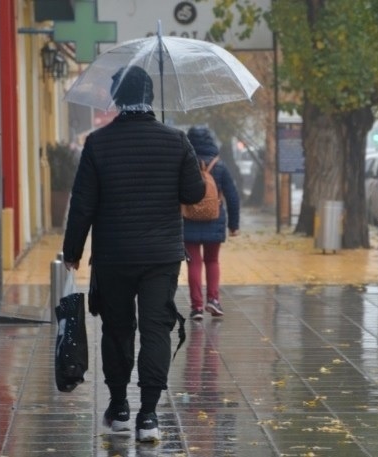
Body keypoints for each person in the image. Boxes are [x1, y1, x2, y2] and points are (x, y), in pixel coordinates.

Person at [62, 65, 205, 443]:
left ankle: (120, 407)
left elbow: (82, 205)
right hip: (161, 256)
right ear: (151, 97)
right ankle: (149, 416)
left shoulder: (98, 143)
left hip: (113, 256)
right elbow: (193, 194)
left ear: (118, 99)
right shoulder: (176, 141)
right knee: (156, 329)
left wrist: (72, 251)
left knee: (118, 329)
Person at [183, 125, 240, 320]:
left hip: (188, 218)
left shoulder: (184, 164)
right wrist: (234, 224)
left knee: (194, 263)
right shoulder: (220, 166)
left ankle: (197, 306)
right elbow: (232, 196)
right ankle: (213, 300)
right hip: (214, 219)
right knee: (212, 260)